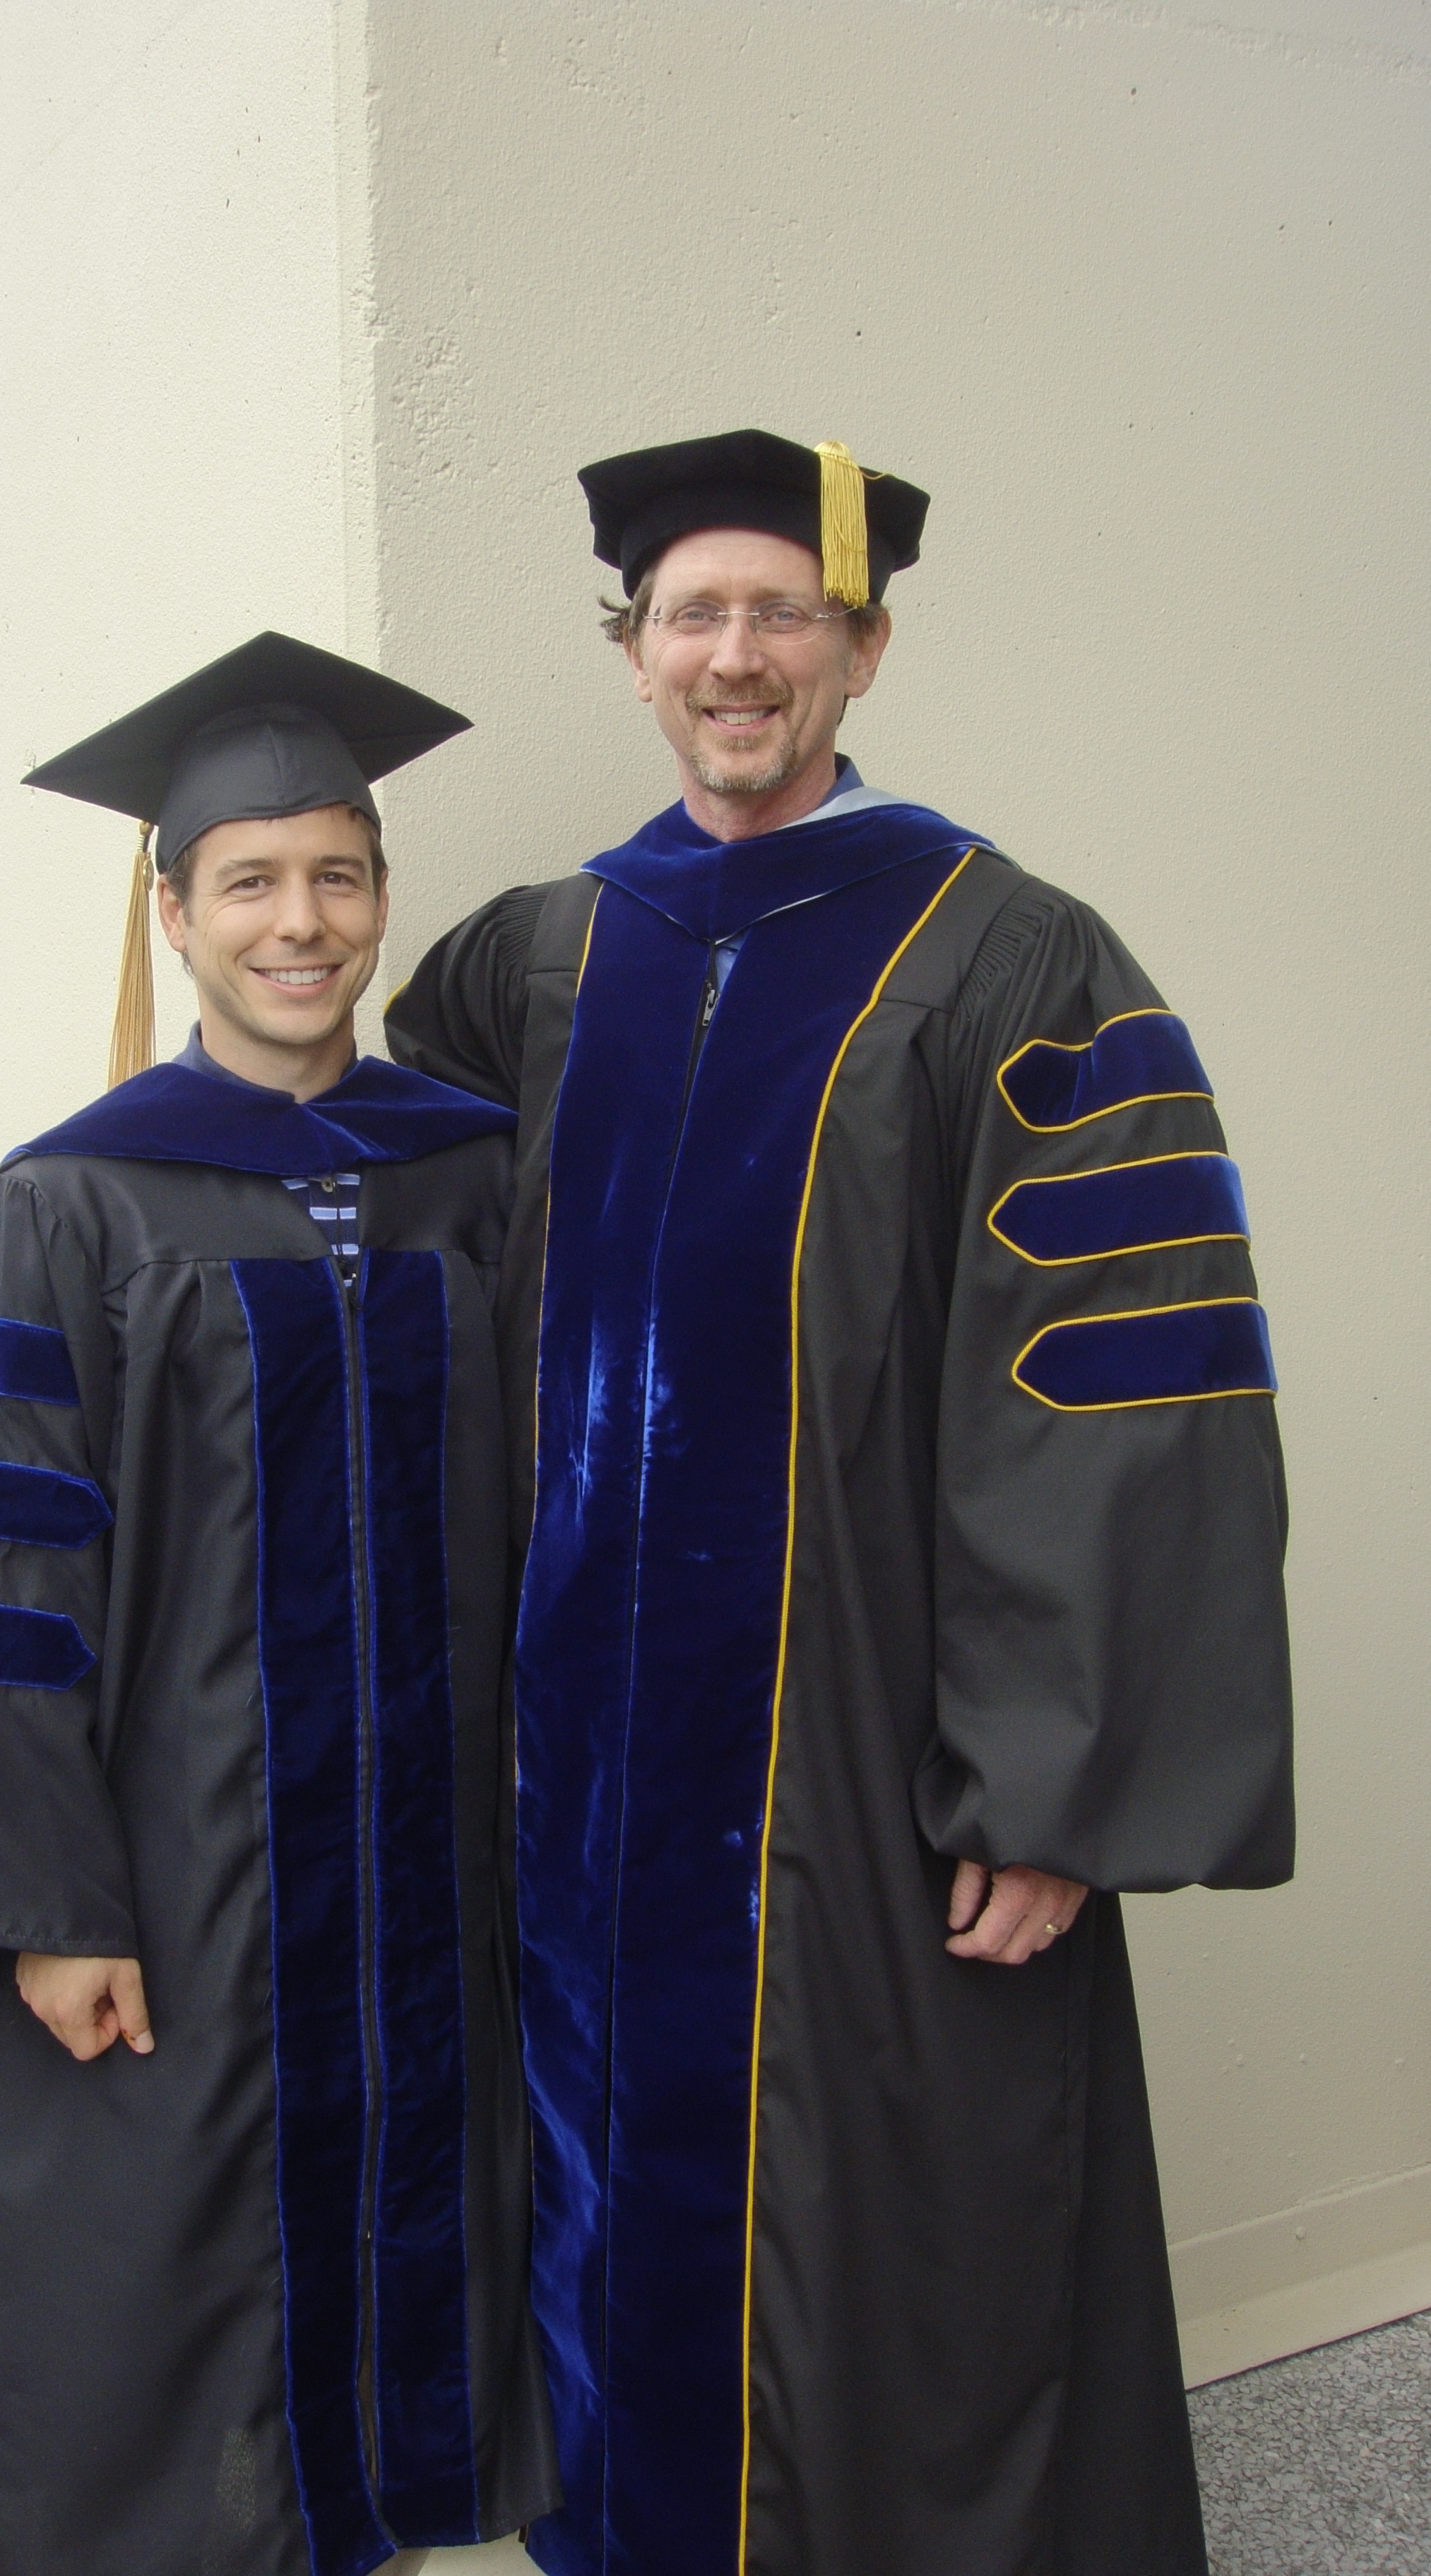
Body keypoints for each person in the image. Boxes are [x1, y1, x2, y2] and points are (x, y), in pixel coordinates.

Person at [386, 430, 1294, 2576]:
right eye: (691, 615)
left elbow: (1117, 1403)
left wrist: (1050, 1784)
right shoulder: (535, 961)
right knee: (610, 2214)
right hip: (588, 1791)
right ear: (632, 659)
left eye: (782, 612)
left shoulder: (1016, 963)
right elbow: (380, 1255)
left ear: (863, 647)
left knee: (917, 2229)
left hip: (876, 1781)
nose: (735, 654)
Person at [0, 634, 557, 2576]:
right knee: (174, 2287)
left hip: (443, 1857)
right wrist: (48, 1904)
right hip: (185, 1859)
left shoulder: (467, 1173)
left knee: (431, 2242)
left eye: (338, 875)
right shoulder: (74, 1204)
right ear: (176, 905)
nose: (300, 922)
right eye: (251, 880)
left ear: (382, 897)